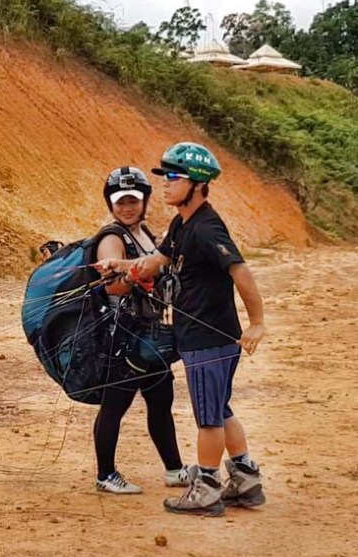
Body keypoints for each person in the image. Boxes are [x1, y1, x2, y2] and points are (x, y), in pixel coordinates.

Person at [96, 143, 266, 516]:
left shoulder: (206, 228)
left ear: (198, 184)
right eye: (165, 177)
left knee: (208, 416)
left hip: (209, 338)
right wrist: (119, 265)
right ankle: (245, 477)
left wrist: (256, 323)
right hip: (200, 337)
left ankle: (205, 488)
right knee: (220, 409)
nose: (167, 185)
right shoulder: (181, 224)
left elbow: (240, 271)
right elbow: (156, 262)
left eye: (174, 178)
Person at [90, 167, 188, 495]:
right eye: (120, 202)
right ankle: (106, 474)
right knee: (115, 405)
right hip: (123, 337)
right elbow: (112, 288)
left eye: (133, 200)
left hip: (151, 335)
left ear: (144, 201)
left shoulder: (146, 234)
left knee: (161, 400)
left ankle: (175, 469)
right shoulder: (112, 238)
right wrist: (133, 275)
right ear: (111, 204)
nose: (127, 207)